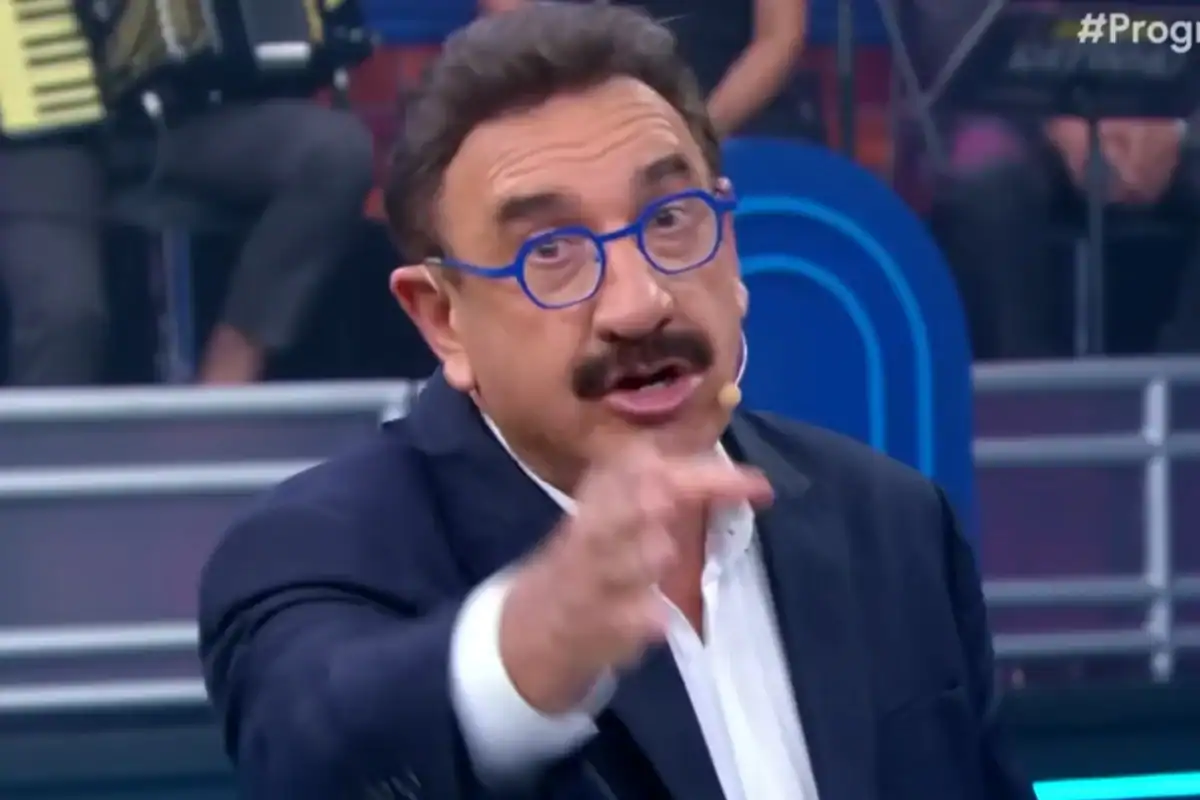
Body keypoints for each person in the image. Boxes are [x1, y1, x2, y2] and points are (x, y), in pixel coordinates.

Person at [198, 5, 1035, 799]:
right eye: (550, 251)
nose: (639, 304)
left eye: (670, 220)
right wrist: (525, 650)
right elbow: (315, 750)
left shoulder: (894, 523)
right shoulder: (317, 550)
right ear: (443, 320)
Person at [0, 100, 374, 385]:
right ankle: (46, 457)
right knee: (66, 313)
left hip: (191, 112)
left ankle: (227, 379)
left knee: (334, 152)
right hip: (40, 139)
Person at [932, 114, 1200, 359]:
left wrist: (1179, 132)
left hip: (1175, 137)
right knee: (992, 194)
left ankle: (1184, 373)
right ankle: (1027, 378)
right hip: (1044, 132)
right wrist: (1065, 123)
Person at [480, 0, 808, 139]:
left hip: (734, 116)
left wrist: (698, 133)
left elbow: (778, 38)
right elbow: (515, 25)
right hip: (573, 111)